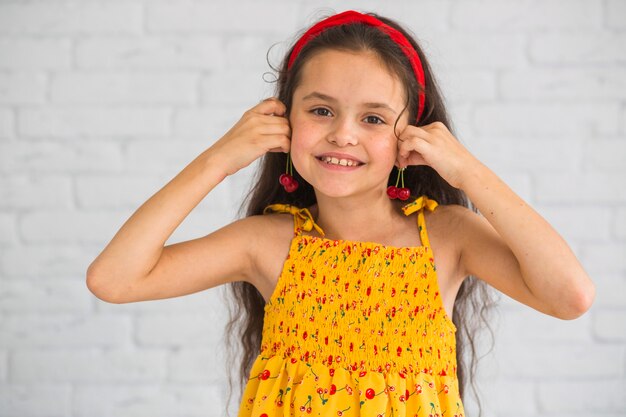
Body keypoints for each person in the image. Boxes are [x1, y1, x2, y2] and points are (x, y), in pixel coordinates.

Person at [86, 10, 596, 417]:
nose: (343, 134)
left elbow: (570, 296)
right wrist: (217, 159)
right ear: (284, 117)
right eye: (321, 110)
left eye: (372, 118)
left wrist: (469, 173)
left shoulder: (447, 236)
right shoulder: (265, 242)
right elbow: (114, 279)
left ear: (411, 135)